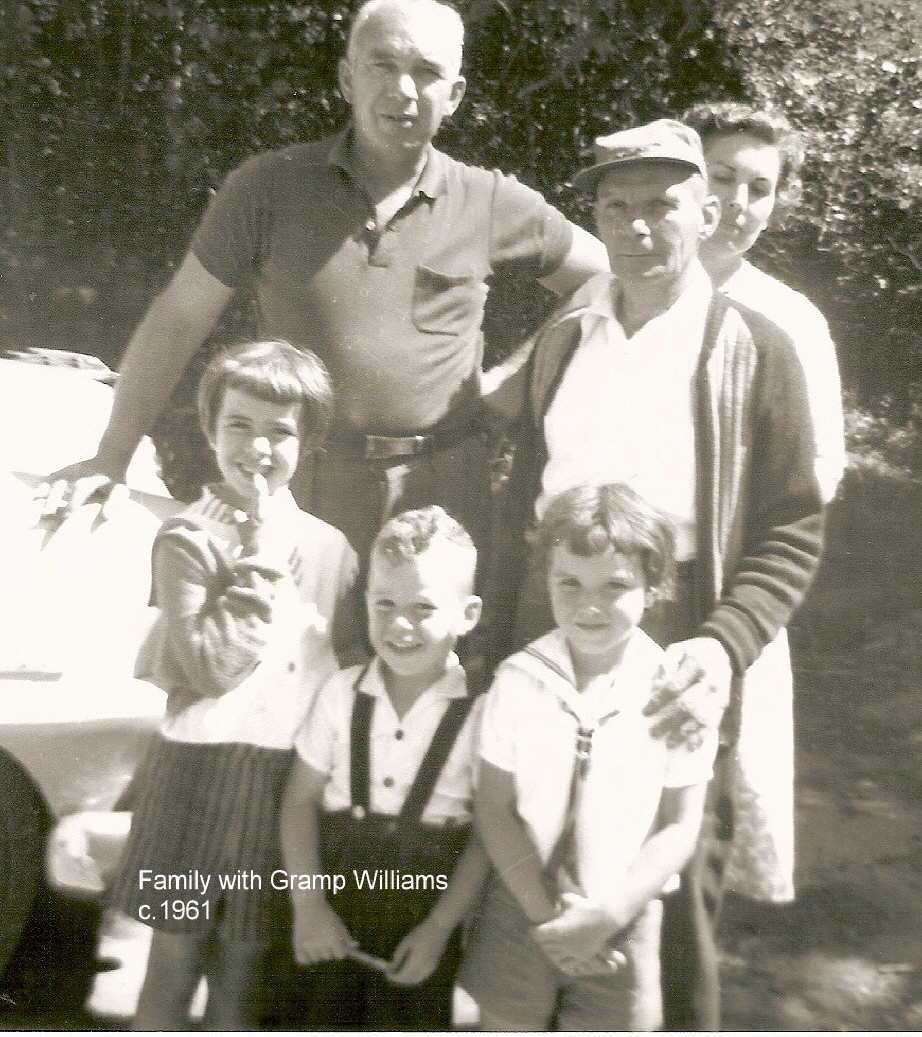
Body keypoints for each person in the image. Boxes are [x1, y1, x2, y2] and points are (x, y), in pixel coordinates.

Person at [37, 0, 608, 608]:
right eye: (381, 65)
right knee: (272, 668)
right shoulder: (269, 187)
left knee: (429, 678)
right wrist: (111, 457)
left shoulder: (489, 199)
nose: (403, 89)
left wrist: (511, 380)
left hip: (442, 488)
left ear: (456, 93)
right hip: (294, 483)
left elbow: (603, 276)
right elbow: (180, 316)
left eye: (427, 72)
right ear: (345, 78)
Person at [484, 118, 825, 1029]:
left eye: (662, 206)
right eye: (617, 206)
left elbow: (793, 526)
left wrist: (723, 647)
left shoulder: (755, 347)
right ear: (594, 213)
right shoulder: (565, 339)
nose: (637, 227)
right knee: (533, 880)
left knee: (666, 914)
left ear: (704, 210)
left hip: (678, 645)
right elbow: (523, 497)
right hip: (550, 634)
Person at [106, 339, 357, 1030]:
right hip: (195, 776)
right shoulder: (189, 537)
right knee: (175, 959)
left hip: (282, 786)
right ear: (210, 430)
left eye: (281, 430)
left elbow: (340, 673)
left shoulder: (333, 547)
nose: (258, 447)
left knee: (245, 968)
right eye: (239, 425)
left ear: (308, 441)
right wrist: (262, 561)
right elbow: (213, 665)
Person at [461, 482, 718, 1031]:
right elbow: (494, 808)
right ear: (546, 580)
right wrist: (547, 919)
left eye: (616, 585)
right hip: (522, 902)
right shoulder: (517, 681)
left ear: (655, 587)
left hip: (625, 912)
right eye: (570, 582)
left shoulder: (677, 695)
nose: (589, 604)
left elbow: (680, 826)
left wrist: (608, 914)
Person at [278, 504, 489, 1031]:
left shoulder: (484, 713)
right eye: (384, 604)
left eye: (423, 607)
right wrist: (308, 907)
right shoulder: (339, 694)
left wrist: (440, 929)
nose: (400, 624)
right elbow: (299, 801)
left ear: (468, 614)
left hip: (426, 902)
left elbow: (489, 832)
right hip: (333, 887)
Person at [683, 100, 845, 504]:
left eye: (759, 189)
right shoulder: (616, 290)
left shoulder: (792, 319)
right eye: (721, 177)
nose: (738, 200)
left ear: (773, 209)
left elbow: (819, 467)